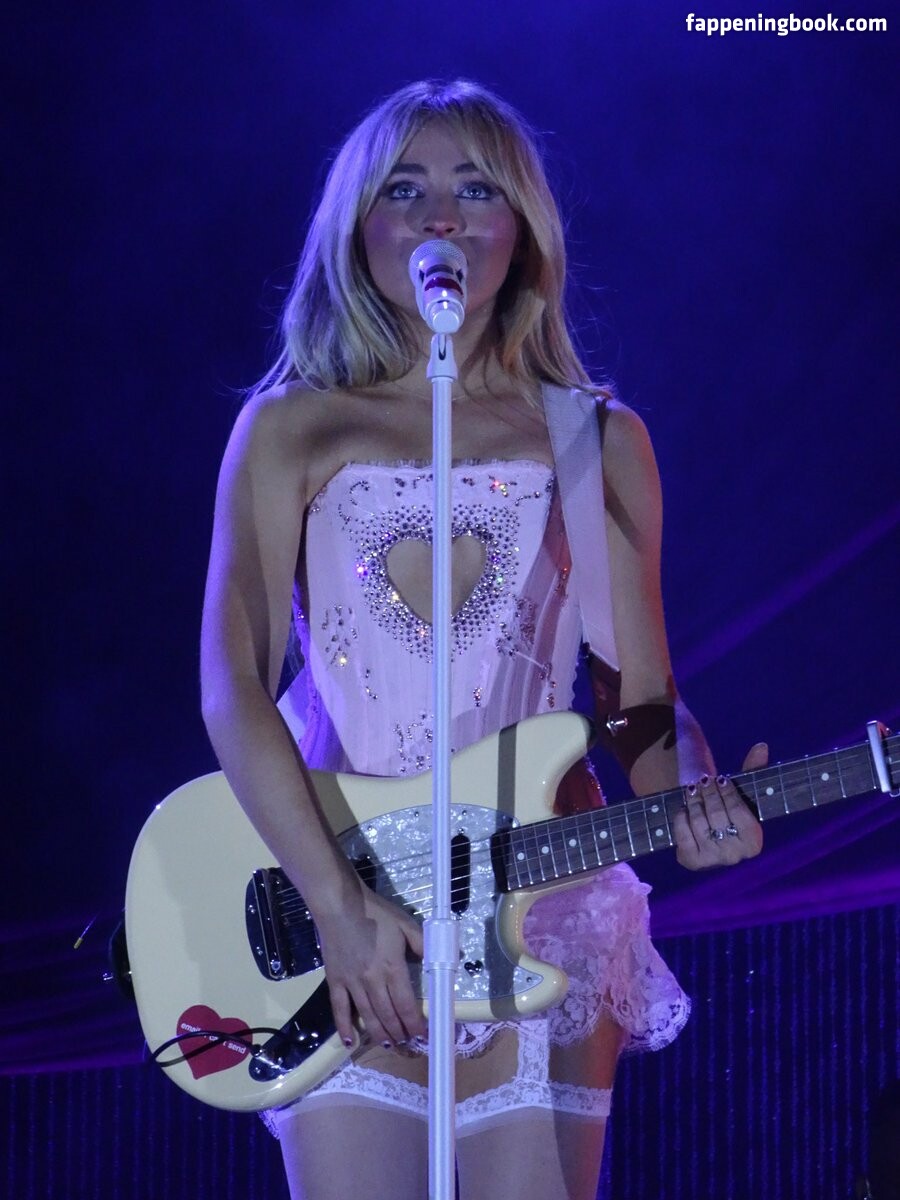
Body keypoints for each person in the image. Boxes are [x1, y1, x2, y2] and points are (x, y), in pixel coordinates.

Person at [200, 79, 766, 1200]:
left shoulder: (592, 435)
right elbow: (232, 688)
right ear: (358, 227)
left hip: (548, 904)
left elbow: (638, 700)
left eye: (475, 190)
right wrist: (337, 906)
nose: (440, 217)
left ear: (522, 230)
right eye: (404, 190)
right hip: (351, 903)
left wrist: (692, 795)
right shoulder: (288, 426)